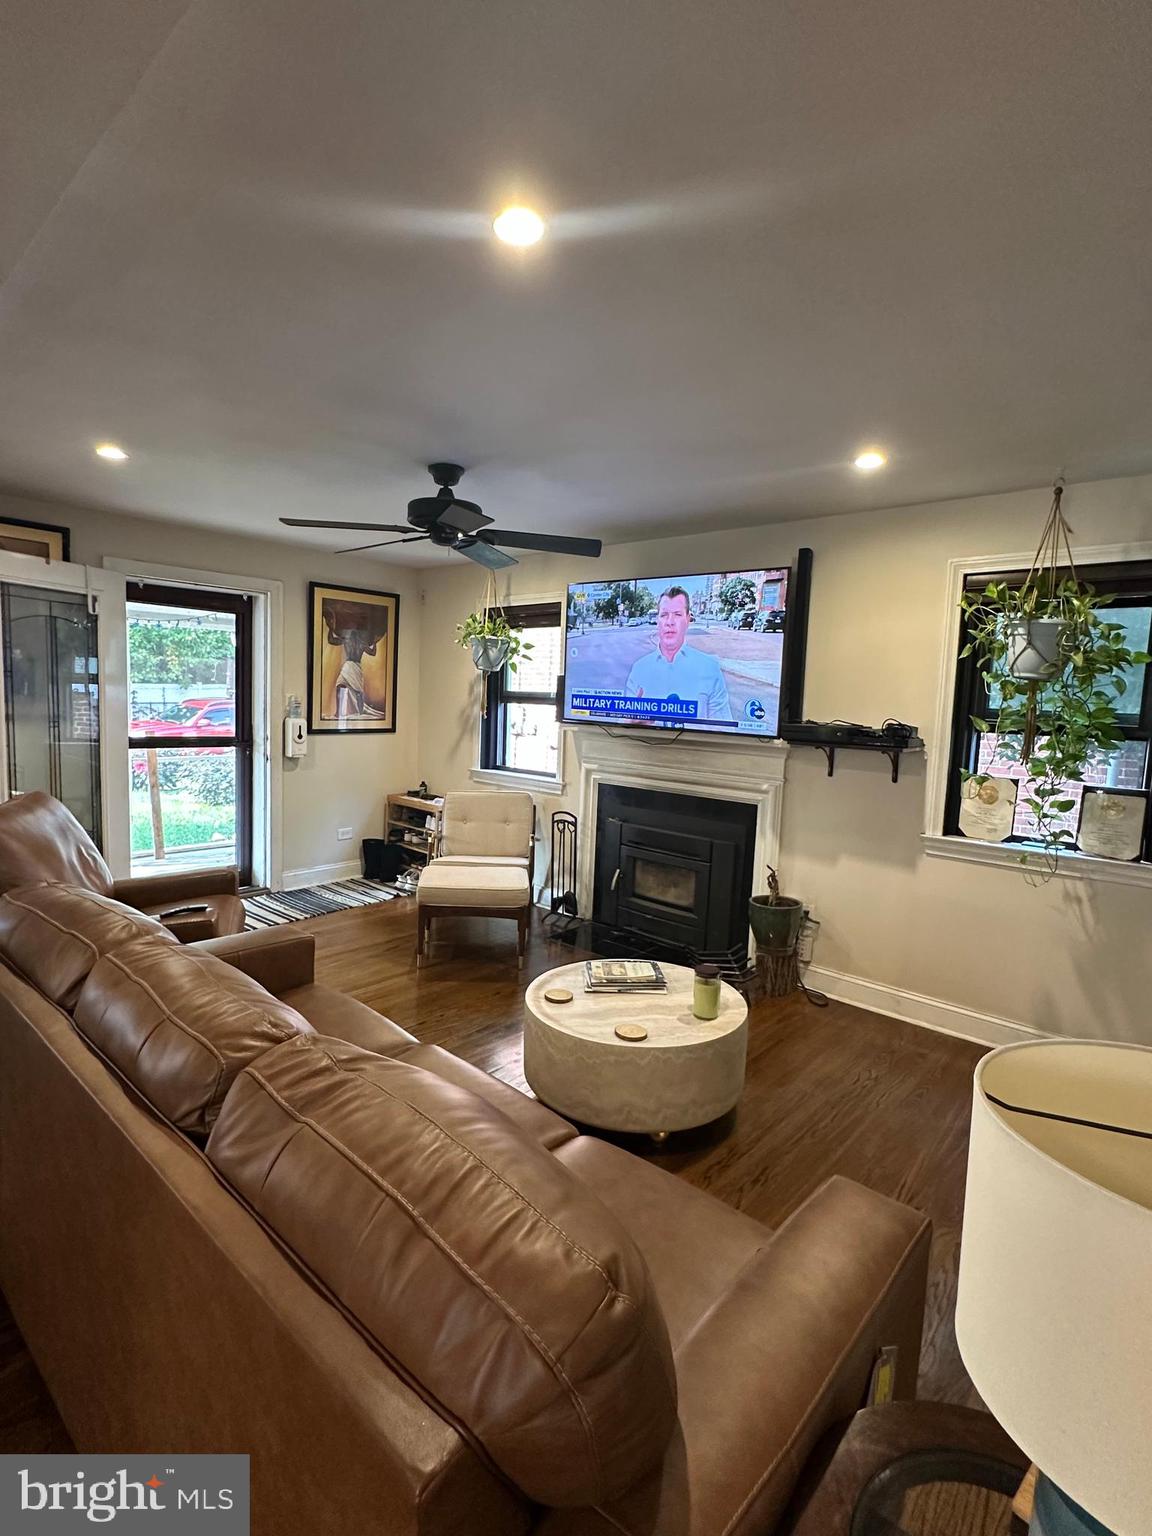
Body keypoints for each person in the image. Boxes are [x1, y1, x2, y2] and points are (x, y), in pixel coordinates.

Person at [625, 586, 732, 721]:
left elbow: (723, 730)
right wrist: (631, 724)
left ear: (688, 620)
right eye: (664, 615)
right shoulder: (639, 669)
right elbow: (623, 723)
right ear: (657, 620)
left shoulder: (709, 668)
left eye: (677, 614)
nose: (670, 622)